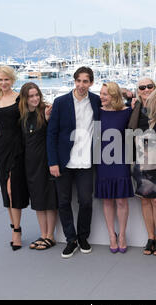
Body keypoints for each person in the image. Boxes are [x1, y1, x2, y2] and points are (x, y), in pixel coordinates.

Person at [47, 66, 101, 259]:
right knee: (63, 201)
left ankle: (83, 237)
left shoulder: (96, 101)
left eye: (85, 81)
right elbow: (51, 133)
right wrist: (52, 161)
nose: (81, 85)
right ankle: (71, 240)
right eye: (78, 81)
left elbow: (113, 106)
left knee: (86, 201)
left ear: (91, 83)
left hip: (86, 161)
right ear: (74, 81)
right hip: (63, 161)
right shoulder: (61, 102)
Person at [0, 66, 29, 251]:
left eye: (6, 79)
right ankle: (14, 228)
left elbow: (28, 121)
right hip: (1, 147)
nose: (3, 83)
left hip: (18, 147)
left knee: (13, 191)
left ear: (12, 80)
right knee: (6, 190)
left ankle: (17, 230)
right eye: (0, 80)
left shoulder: (20, 99)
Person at [128, 78, 156, 256]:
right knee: (145, 199)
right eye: (142, 87)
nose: (146, 89)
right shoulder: (135, 107)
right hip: (140, 159)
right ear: (137, 91)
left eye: (150, 86)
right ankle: (150, 237)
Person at [19, 82, 58, 250]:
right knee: (37, 200)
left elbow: (53, 134)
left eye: (37, 95)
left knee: (49, 199)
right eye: (31, 96)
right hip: (30, 164)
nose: (35, 98)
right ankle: (43, 234)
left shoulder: (46, 112)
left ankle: (51, 236)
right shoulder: (23, 116)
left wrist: (48, 119)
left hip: (46, 162)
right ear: (25, 99)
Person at [96, 82, 134, 253]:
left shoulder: (126, 112)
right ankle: (111, 235)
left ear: (115, 96)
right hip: (102, 160)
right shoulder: (97, 111)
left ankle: (123, 235)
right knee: (107, 200)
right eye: (101, 93)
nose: (102, 97)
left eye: (106, 94)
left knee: (121, 199)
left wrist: (132, 97)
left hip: (121, 158)